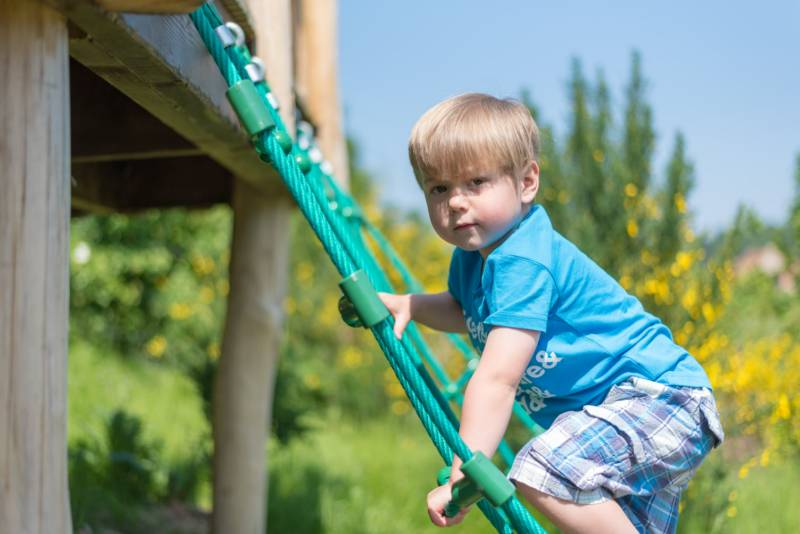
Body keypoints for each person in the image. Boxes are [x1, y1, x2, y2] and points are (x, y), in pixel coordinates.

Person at [378, 93, 725, 534]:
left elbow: (497, 379)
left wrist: (462, 473)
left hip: (659, 399)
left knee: (541, 470)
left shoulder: (523, 259)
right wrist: (410, 304)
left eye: (476, 182)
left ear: (526, 182)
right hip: (628, 412)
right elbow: (465, 312)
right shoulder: (474, 258)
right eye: (439, 189)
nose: (456, 202)